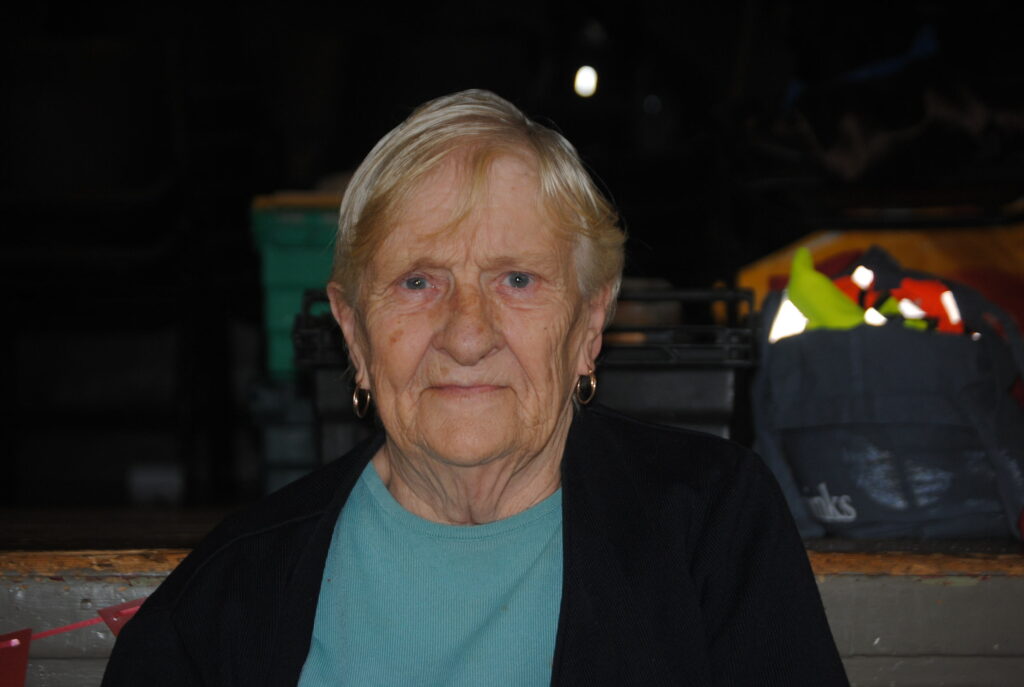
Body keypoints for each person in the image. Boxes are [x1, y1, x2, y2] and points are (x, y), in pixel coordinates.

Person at [102, 90, 848, 686]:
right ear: (354, 333)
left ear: (590, 323)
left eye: (517, 279)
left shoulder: (711, 527)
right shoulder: (232, 591)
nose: (466, 335)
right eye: (417, 281)